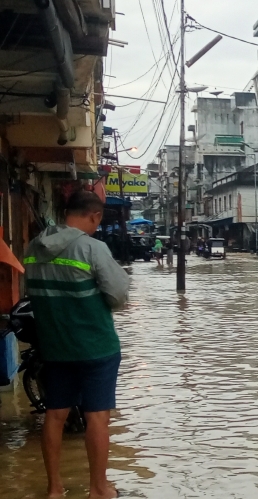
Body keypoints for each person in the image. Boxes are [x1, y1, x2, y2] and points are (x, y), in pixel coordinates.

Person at [24, 190, 130, 499]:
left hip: (55, 345)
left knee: (55, 415)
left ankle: (54, 489)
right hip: (96, 346)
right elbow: (118, 296)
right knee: (98, 416)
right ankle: (98, 488)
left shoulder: (33, 247)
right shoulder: (92, 249)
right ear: (95, 216)